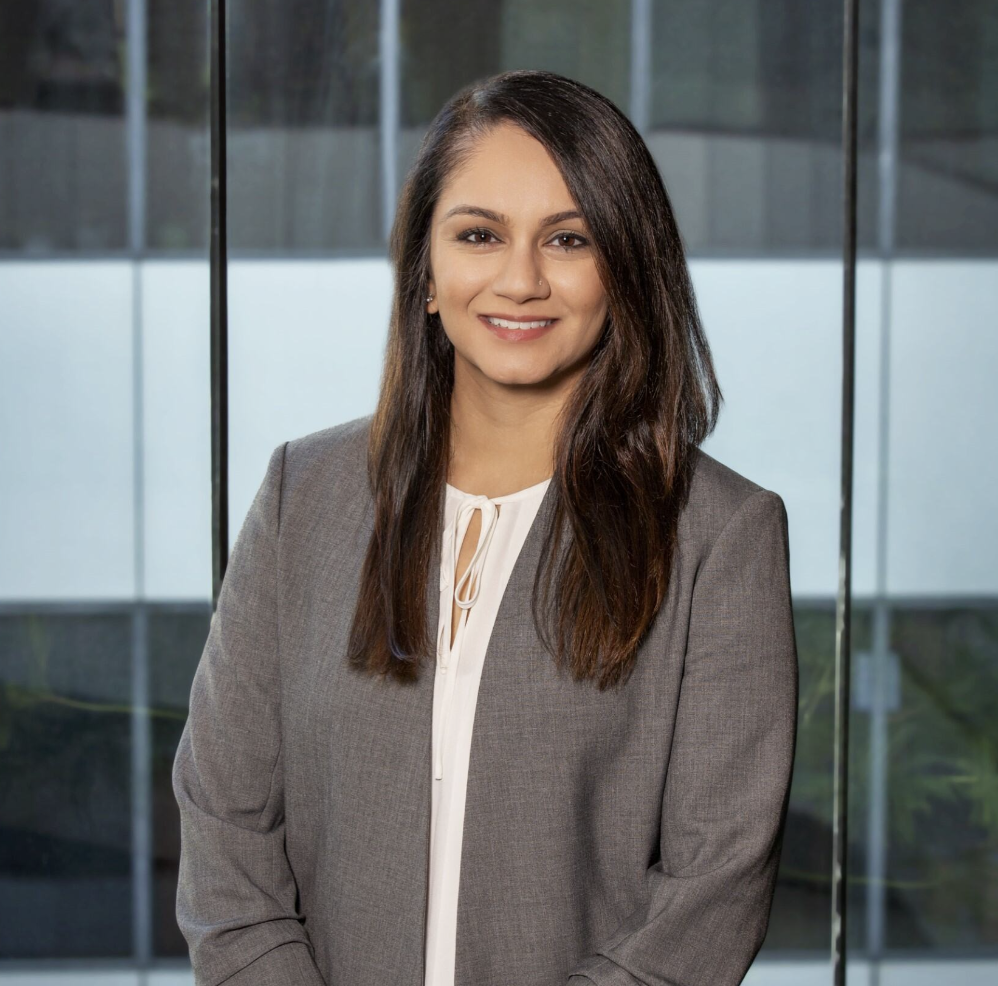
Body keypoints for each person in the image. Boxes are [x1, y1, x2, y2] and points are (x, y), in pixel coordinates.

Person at [172, 69, 799, 986]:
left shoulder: (721, 534)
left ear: (624, 268)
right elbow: (222, 824)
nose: (520, 279)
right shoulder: (300, 495)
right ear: (427, 271)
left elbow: (714, 887)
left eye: (569, 238)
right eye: (479, 235)